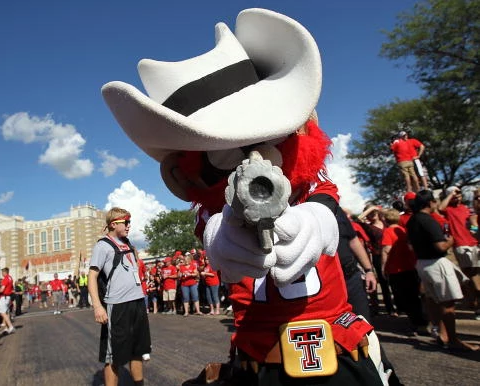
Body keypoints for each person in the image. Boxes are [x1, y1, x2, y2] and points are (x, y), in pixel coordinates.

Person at [102, 8, 386, 384]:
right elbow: (217, 236)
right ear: (185, 170)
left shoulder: (311, 185)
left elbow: (325, 214)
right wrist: (233, 231)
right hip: (259, 359)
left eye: (264, 139)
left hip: (339, 349)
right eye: (223, 151)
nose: (252, 158)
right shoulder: (211, 211)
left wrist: (304, 225)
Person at [407, 190, 479, 351]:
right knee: (448, 303)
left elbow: (410, 245)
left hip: (422, 263)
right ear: (430, 203)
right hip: (436, 263)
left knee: (433, 300)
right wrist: (451, 241)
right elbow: (440, 246)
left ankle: (442, 334)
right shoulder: (428, 220)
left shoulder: (412, 220)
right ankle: (452, 339)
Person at [88, 208, 151, 386]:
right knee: (113, 357)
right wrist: (98, 307)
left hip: (137, 302)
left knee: (137, 351)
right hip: (117, 306)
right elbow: (92, 276)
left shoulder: (128, 243)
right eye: (126, 222)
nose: (129, 226)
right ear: (114, 224)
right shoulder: (103, 246)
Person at [381, 209, 427, 334]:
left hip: (396, 268)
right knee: (414, 296)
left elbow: (386, 250)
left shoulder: (387, 231)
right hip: (410, 266)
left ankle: (415, 323)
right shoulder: (403, 230)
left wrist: (383, 267)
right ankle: (421, 322)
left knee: (405, 297)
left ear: (385, 219)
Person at [438, 186, 480, 318]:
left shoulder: (467, 208)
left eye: (459, 193)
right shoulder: (448, 210)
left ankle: (474, 303)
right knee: (473, 276)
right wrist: (450, 194)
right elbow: (440, 208)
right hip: (462, 245)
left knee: (473, 276)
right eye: (454, 193)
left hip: (475, 243)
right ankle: (476, 306)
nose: (457, 195)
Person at [0, 267, 15, 334]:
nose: (2, 274)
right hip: (8, 297)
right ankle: (7, 328)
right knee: (6, 312)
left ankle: (10, 326)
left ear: (5, 272)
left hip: (4, 297)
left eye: (2, 272)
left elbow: (2, 289)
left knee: (2, 312)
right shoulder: (10, 278)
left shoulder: (6, 279)